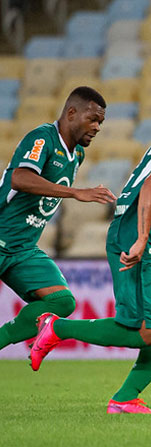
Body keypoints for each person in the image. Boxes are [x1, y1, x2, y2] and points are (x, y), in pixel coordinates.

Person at [29, 90, 151, 415]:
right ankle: (56, 328)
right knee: (147, 331)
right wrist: (142, 239)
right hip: (137, 239)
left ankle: (124, 399)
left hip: (150, 239)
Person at [0, 87, 115, 352]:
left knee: (62, 302)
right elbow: (20, 178)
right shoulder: (42, 138)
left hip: (23, 249)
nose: (97, 127)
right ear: (71, 113)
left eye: (101, 122)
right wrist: (76, 192)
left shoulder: (78, 155)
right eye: (93, 119)